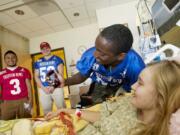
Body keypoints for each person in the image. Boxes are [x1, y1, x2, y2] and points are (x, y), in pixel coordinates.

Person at [46, 60, 180, 135]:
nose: (132, 86)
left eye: (140, 83)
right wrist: (70, 111)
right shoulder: (128, 102)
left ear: (161, 97)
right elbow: (100, 116)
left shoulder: (146, 131)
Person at [65, 24, 145, 105]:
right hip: (98, 85)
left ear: (120, 56)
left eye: (103, 54)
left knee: (118, 108)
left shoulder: (135, 65)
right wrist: (63, 82)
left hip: (122, 86)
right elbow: (82, 76)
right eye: (96, 48)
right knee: (90, 106)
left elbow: (137, 91)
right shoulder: (91, 55)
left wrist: (120, 97)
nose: (95, 55)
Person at [34, 42, 66, 115]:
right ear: (41, 51)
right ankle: (50, 125)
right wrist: (43, 88)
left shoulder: (57, 59)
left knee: (62, 109)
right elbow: (36, 76)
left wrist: (53, 86)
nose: (45, 50)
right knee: (46, 110)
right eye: (43, 49)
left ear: (50, 48)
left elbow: (61, 74)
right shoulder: (38, 61)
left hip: (56, 87)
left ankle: (65, 124)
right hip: (43, 89)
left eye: (47, 48)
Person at [0, 50, 32, 120]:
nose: (11, 59)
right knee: (5, 123)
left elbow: (29, 86)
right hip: (7, 101)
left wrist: (30, 100)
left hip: (23, 100)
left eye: (13, 57)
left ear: (16, 58)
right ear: (4, 60)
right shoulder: (1, 73)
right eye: (8, 58)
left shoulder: (24, 70)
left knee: (26, 121)